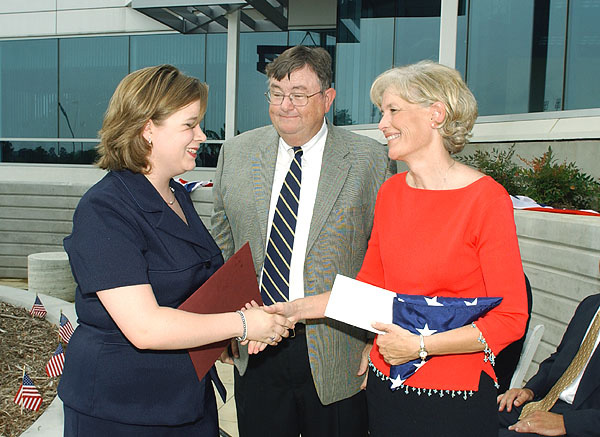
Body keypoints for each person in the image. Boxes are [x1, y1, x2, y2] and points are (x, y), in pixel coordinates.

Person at [58, 64, 292, 436]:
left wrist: (225, 338)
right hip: (123, 411)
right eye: (189, 124)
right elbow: (145, 327)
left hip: (186, 399)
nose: (201, 135)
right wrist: (245, 324)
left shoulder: (176, 194)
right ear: (148, 129)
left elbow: (193, 293)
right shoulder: (104, 210)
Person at [211, 45, 393, 437]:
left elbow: (386, 261)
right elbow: (222, 246)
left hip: (337, 348)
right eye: (276, 93)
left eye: (298, 94)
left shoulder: (370, 160)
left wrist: (377, 343)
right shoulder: (236, 153)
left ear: (327, 98)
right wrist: (224, 323)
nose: (285, 105)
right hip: (255, 343)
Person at [356, 61, 528, 436]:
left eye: (393, 110)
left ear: (436, 114)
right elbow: (370, 287)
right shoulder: (391, 193)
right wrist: (291, 310)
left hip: (455, 396)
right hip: (386, 384)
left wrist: (419, 346)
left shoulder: (486, 199)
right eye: (381, 112)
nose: (382, 124)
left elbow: (511, 318)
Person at [498, 292, 600, 436]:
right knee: (471, 417)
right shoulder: (590, 304)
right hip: (544, 402)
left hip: (581, 421)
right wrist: (529, 391)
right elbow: (559, 358)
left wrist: (565, 423)